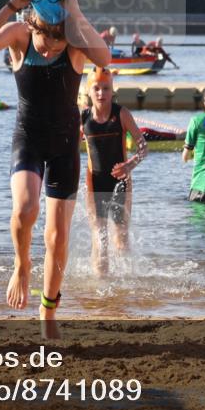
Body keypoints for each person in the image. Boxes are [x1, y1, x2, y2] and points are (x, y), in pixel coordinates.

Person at [0, 0, 110, 322]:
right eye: (46, 41)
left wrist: (76, 12)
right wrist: (9, 6)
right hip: (28, 139)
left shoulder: (75, 42)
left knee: (57, 237)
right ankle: (21, 264)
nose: (50, 49)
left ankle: (48, 311)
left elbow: (105, 59)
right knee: (26, 208)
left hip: (64, 147)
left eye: (58, 41)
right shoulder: (19, 35)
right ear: (33, 27)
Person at [81, 66, 147, 276]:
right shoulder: (83, 117)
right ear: (89, 91)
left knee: (121, 237)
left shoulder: (121, 114)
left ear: (112, 90)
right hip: (94, 183)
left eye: (106, 88)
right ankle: (101, 283)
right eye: (96, 88)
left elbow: (143, 147)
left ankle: (124, 283)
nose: (101, 93)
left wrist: (131, 164)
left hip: (121, 184)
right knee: (99, 237)